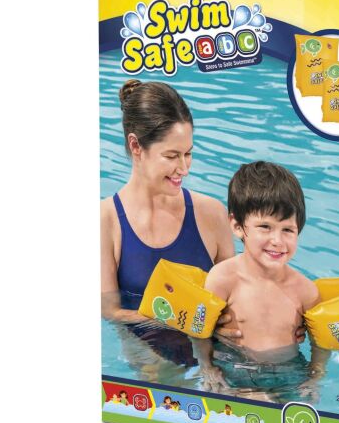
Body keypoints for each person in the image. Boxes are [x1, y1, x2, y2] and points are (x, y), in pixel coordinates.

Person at [100, 79, 237, 372]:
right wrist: (183, 319)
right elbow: (109, 312)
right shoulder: (106, 221)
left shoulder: (211, 214)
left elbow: (237, 298)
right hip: (151, 361)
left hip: (217, 359)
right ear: (136, 146)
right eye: (172, 156)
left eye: (188, 153)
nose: (184, 169)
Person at [191, 161, 329, 401]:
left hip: (289, 373)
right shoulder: (223, 279)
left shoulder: (305, 291)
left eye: (288, 230)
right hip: (234, 369)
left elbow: (321, 344)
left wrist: (315, 376)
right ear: (237, 226)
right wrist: (207, 367)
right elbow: (199, 332)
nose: (277, 240)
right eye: (265, 227)